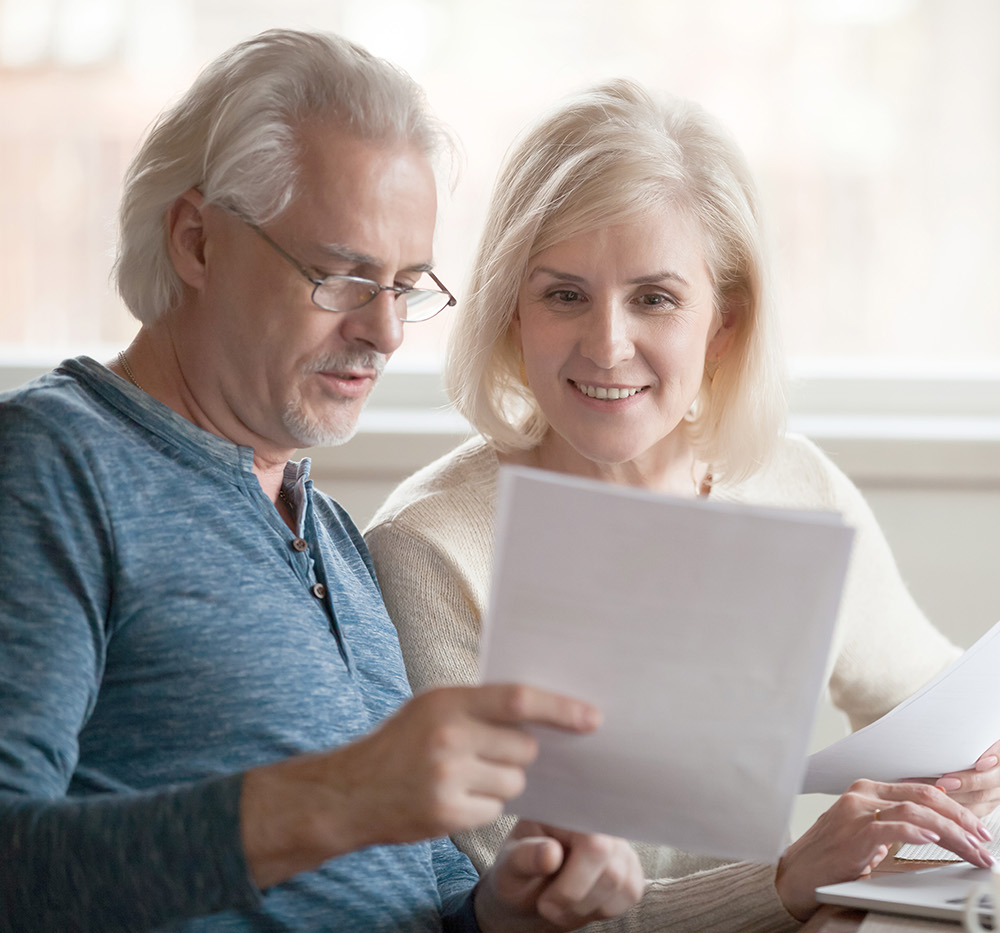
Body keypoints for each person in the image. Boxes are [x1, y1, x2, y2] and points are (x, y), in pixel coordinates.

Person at [0, 31, 644, 932]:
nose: (385, 332)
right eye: (343, 276)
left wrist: (506, 907)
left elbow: (412, 901)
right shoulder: (53, 466)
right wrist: (335, 796)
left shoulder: (331, 531)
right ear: (196, 239)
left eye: (407, 284)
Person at [365, 78, 1000, 930]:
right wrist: (789, 882)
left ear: (724, 322)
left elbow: (928, 694)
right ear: (509, 313)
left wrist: (983, 748)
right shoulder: (430, 548)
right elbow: (526, 913)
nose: (608, 344)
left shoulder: (794, 487)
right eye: (564, 294)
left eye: (655, 298)